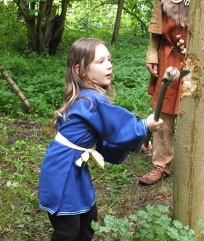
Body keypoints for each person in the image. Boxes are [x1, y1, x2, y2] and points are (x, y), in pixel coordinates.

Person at [38, 38, 163, 241]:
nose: (109, 65)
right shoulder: (90, 100)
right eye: (101, 61)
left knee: (88, 220)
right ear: (80, 70)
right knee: (67, 229)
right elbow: (118, 126)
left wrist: (137, 147)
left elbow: (105, 136)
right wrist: (144, 126)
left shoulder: (88, 97)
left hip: (72, 166)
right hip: (62, 169)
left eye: (109, 59)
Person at [138, 0, 204, 185]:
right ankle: (160, 165)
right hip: (169, 54)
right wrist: (151, 53)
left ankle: (193, 164)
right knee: (164, 112)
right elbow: (157, 23)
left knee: (197, 111)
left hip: (203, 58)